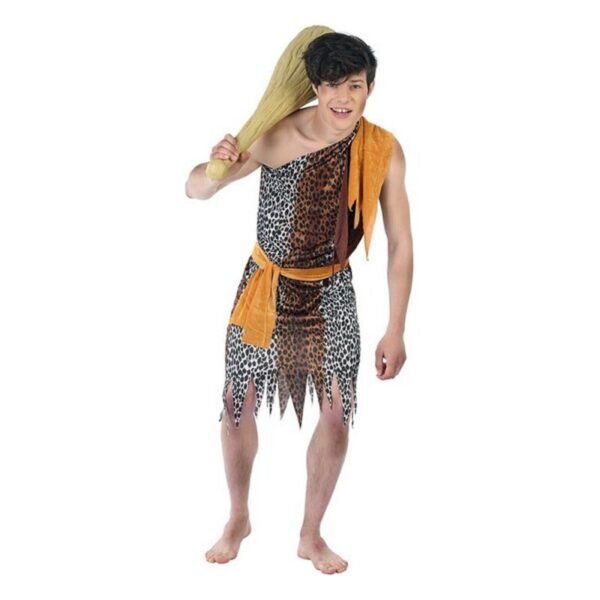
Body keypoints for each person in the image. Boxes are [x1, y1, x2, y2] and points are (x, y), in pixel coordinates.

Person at [185, 32, 413, 574]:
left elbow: (401, 244)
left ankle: (311, 534)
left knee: (336, 415)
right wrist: (214, 165)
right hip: (265, 287)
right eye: (332, 85)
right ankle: (238, 517)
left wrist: (396, 327)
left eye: (354, 85)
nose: (343, 98)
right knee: (236, 404)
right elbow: (197, 189)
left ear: (370, 88)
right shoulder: (276, 134)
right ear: (314, 86)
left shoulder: (382, 148)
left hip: (330, 290)